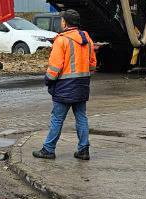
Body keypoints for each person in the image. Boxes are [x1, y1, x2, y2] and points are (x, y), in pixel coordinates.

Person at [32, 9, 97, 160]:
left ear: (65, 23)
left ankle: (48, 149)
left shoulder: (61, 40)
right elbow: (93, 64)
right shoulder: (87, 39)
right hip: (82, 85)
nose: (60, 22)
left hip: (64, 87)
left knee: (57, 119)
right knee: (81, 117)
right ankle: (83, 150)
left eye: (61, 20)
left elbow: (55, 68)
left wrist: (48, 80)